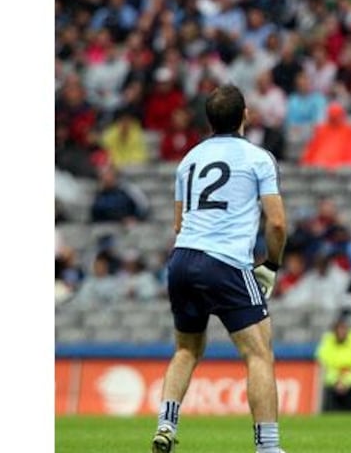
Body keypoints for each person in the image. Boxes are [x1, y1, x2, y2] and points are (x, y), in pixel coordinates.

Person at [150, 84, 288, 453]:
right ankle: (268, 447)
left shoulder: (188, 160)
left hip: (182, 259)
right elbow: (276, 223)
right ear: (245, 115)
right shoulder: (258, 158)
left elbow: (178, 223)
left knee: (186, 349)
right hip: (225, 261)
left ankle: (166, 423)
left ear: (208, 120)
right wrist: (271, 264)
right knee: (259, 353)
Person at [316, 311, 351, 411]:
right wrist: (336, 380)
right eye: (338, 328)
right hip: (334, 383)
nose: (340, 332)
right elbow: (322, 366)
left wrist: (347, 381)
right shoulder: (327, 341)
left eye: (343, 328)